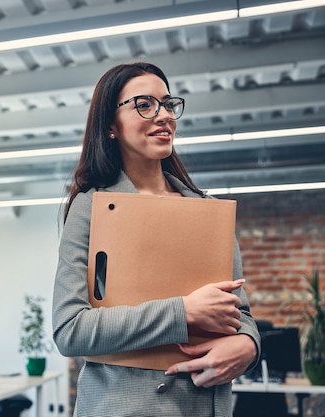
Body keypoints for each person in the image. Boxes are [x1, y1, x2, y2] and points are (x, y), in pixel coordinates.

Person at [51, 62, 261, 417]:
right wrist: (183, 312)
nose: (163, 115)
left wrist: (248, 345)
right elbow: (70, 330)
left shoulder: (207, 211)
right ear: (111, 125)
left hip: (201, 406)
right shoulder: (92, 207)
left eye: (168, 103)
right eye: (144, 104)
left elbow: (238, 311)